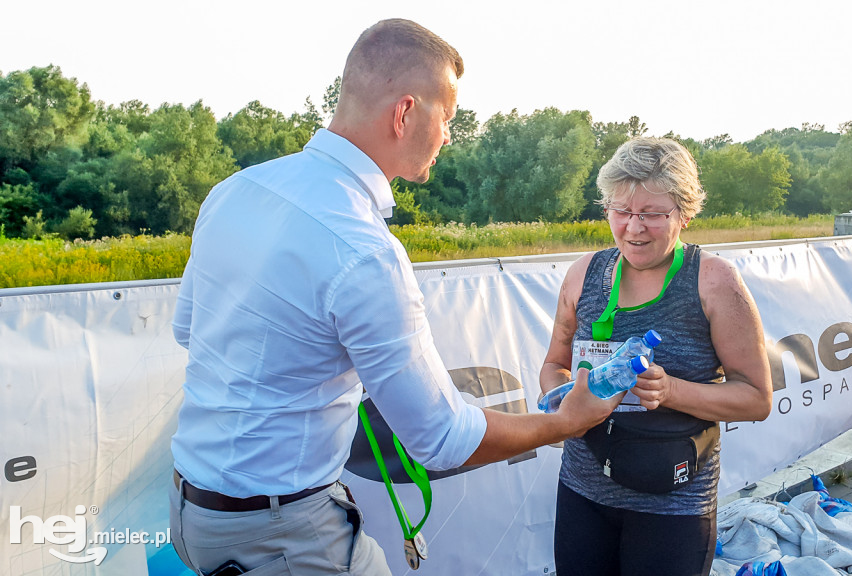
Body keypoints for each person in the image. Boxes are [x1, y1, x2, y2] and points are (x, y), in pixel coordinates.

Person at [168, 18, 619, 576]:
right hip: (280, 533)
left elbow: (187, 331)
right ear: (406, 113)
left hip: (192, 512)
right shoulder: (363, 249)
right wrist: (566, 423)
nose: (450, 137)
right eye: (447, 118)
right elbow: (443, 438)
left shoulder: (235, 190)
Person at [540, 137, 772, 576]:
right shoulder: (583, 275)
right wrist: (565, 400)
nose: (633, 228)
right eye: (621, 211)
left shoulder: (714, 282)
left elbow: (756, 398)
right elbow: (554, 365)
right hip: (583, 490)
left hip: (674, 505)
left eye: (652, 214)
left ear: (684, 213)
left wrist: (670, 391)